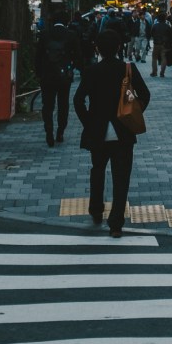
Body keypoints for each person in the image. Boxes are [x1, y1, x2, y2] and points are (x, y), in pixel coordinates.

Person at [73, 29, 150, 237]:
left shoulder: (91, 71)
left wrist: (88, 122)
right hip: (123, 130)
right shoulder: (127, 69)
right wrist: (132, 114)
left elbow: (78, 100)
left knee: (97, 170)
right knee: (121, 176)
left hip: (97, 130)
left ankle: (96, 210)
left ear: (97, 48)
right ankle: (116, 222)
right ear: (118, 47)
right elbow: (145, 95)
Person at [35, 16, 81, 147]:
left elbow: (38, 55)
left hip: (47, 75)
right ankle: (60, 131)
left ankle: (48, 130)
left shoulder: (44, 34)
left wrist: (39, 73)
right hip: (64, 76)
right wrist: (76, 68)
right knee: (63, 104)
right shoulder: (71, 35)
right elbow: (78, 55)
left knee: (47, 105)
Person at [150, 10, 171, 77]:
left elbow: (152, 34)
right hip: (164, 44)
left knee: (154, 58)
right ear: (165, 19)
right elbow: (170, 35)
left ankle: (154, 72)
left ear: (158, 19)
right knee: (163, 58)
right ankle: (162, 73)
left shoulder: (155, 26)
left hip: (156, 44)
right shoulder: (167, 26)